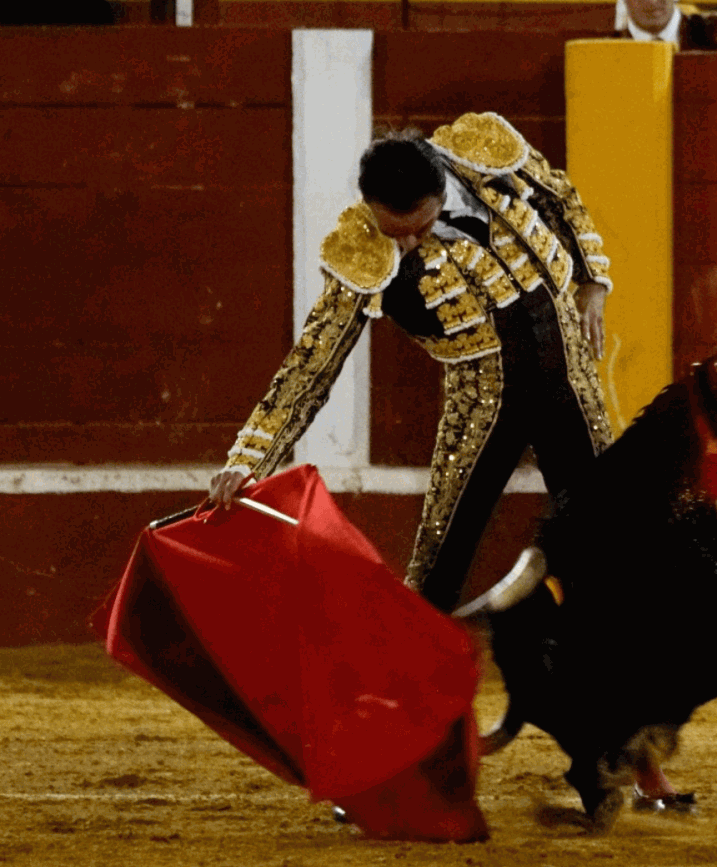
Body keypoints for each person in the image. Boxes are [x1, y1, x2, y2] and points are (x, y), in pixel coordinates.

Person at [209, 113, 690, 810]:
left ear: (444, 187)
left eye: (420, 223)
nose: (406, 241)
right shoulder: (363, 246)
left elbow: (560, 194)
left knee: (612, 567)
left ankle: (640, 764)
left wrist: (594, 278)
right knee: (431, 580)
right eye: (393, 228)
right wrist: (248, 457)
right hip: (481, 402)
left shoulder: (482, 152)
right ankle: (381, 758)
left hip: (569, 380)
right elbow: (312, 362)